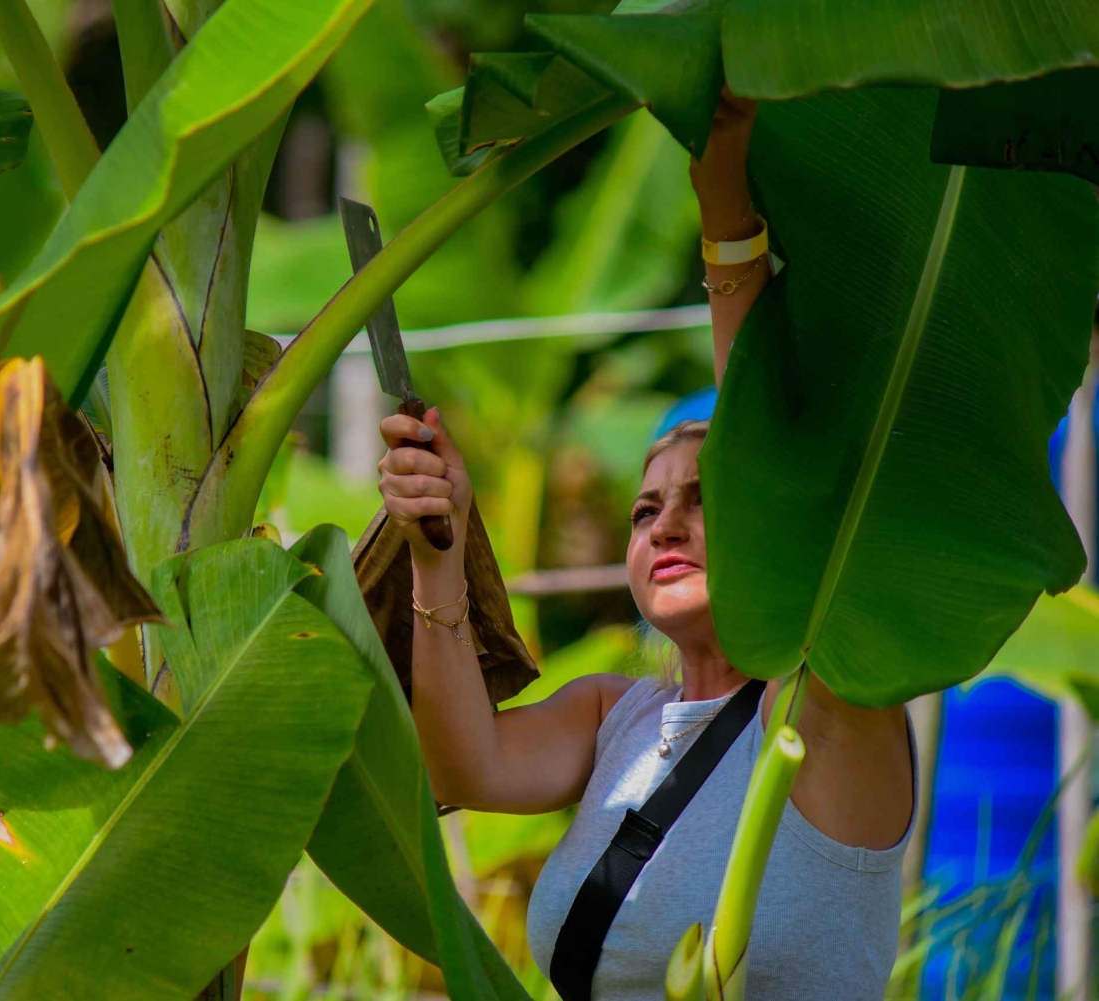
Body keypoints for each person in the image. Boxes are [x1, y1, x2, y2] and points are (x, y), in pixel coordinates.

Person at [375, 89, 915, 1001]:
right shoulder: (613, 719)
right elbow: (462, 765)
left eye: (704, 499)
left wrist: (725, 215)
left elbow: (781, 485)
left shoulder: (827, 716)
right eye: (643, 509)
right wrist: (438, 548)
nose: (664, 523)